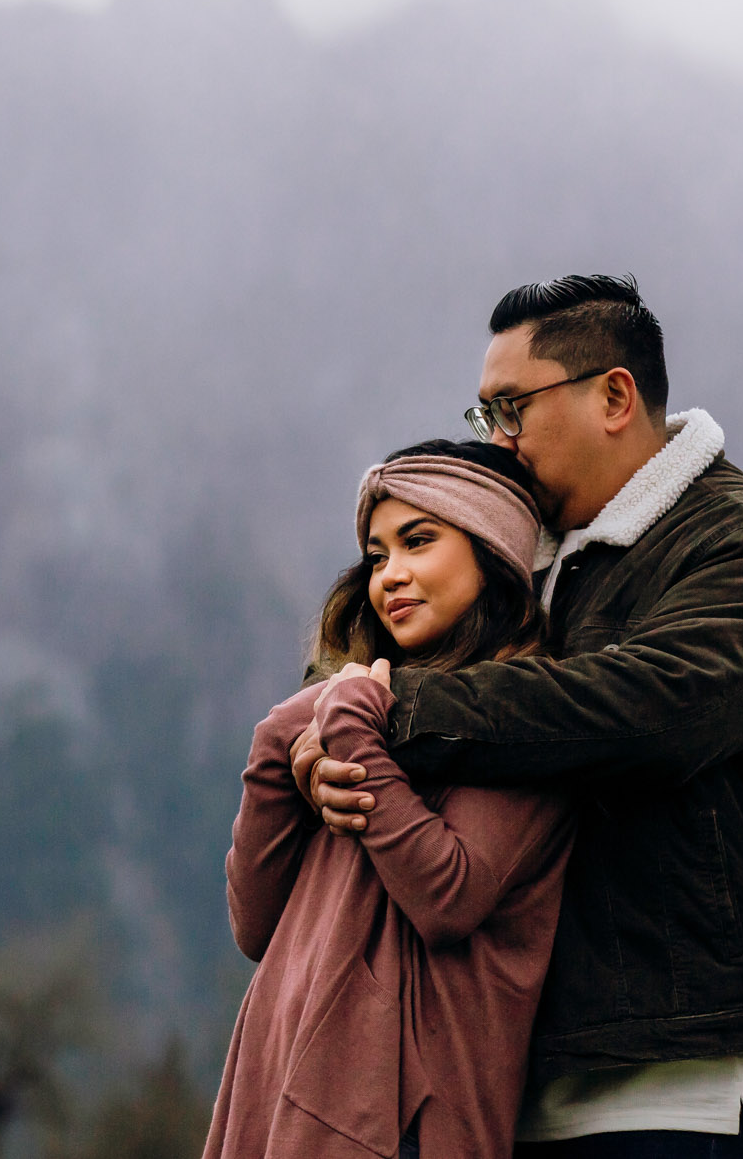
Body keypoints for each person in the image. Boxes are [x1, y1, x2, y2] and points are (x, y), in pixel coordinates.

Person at [299, 276, 743, 1158]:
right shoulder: (526, 558)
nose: (499, 443)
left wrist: (389, 706)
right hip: (501, 1065)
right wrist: (323, 757)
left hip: (671, 1070)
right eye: (485, 417)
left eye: (512, 408)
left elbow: (645, 714)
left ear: (615, 396)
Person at [205, 440, 578, 1159]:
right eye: (376, 555)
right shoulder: (360, 717)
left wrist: (343, 725)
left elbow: (449, 894)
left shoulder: (524, 714)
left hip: (400, 1120)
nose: (390, 576)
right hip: (278, 1094)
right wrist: (283, 740)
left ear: (493, 549)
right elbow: (255, 924)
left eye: (418, 541)